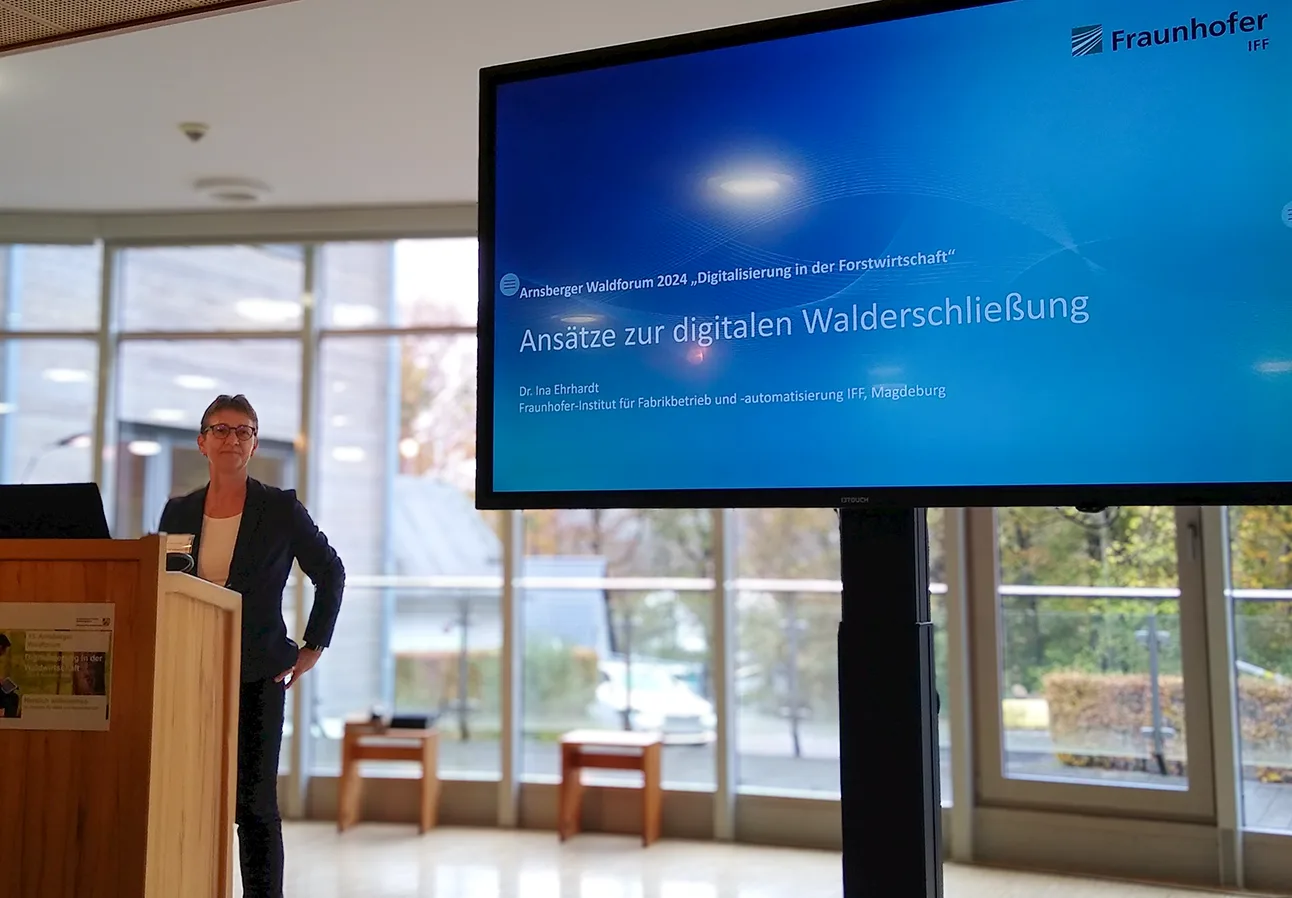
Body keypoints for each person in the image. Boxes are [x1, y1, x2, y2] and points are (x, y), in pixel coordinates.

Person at [159, 394, 344, 898]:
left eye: (243, 431)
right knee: (190, 795)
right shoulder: (178, 512)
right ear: (202, 442)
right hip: (190, 671)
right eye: (220, 430)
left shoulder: (280, 508)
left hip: (259, 671)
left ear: (254, 443)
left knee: (254, 804)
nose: (232, 439)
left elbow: (330, 571)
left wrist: (314, 645)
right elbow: (164, 585)